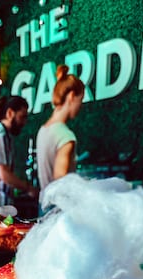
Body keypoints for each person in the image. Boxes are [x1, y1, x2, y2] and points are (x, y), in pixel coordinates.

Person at [36, 65, 85, 193]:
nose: (81, 106)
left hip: (43, 205)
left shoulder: (43, 130)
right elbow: (60, 181)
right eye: (81, 100)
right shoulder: (65, 136)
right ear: (72, 96)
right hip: (59, 209)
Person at [0, 95, 37, 210]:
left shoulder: (6, 136)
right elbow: (4, 174)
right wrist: (28, 188)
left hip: (3, 202)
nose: (24, 122)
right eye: (22, 117)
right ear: (10, 113)